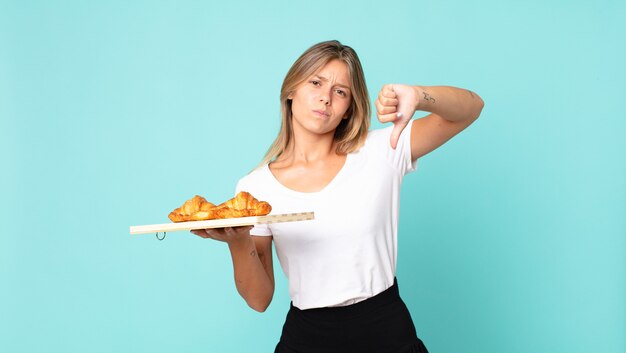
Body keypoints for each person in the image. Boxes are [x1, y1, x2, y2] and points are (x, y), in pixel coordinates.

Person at [191, 40, 484, 353]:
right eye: (316, 82)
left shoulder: (382, 151)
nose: (325, 98)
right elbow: (259, 299)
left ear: (348, 109)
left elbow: (471, 108)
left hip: (386, 332)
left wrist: (419, 94)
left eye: (340, 91)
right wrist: (238, 241)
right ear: (291, 90)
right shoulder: (256, 188)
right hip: (308, 339)